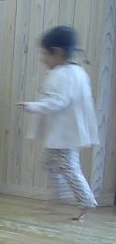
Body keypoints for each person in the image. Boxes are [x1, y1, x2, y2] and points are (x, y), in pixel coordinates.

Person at [18, 25, 100, 220]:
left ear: (57, 52)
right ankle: (62, 194)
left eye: (44, 54)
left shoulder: (62, 74)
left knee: (69, 167)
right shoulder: (77, 72)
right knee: (51, 162)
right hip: (67, 131)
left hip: (65, 133)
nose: (42, 59)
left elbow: (59, 101)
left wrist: (33, 106)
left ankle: (86, 201)